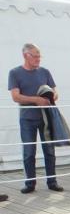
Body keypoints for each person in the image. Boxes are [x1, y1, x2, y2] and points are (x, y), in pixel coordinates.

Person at [8, 43, 63, 193]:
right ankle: (30, 184)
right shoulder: (14, 73)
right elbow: (15, 96)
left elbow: (55, 92)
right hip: (27, 119)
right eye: (36, 56)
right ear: (26, 55)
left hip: (46, 118)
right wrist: (36, 100)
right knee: (29, 152)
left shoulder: (45, 72)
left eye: (39, 56)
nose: (39, 59)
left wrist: (51, 97)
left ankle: (52, 182)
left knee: (49, 150)